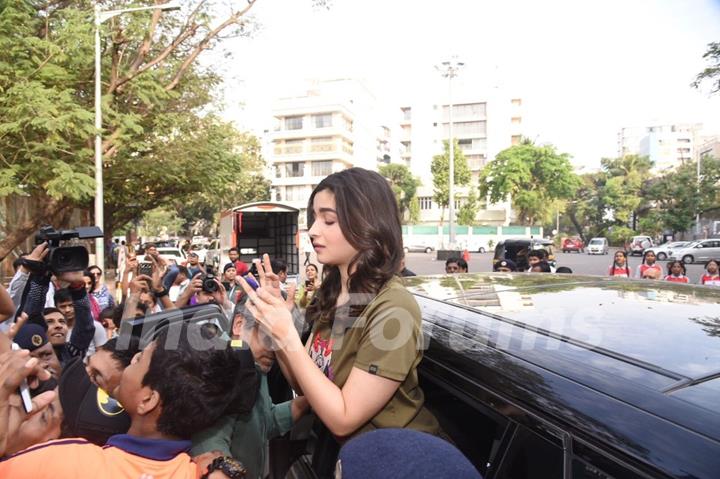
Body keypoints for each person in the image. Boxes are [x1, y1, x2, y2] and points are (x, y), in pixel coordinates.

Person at [238, 168, 439, 476]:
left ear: (367, 223)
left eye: (328, 220)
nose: (314, 231)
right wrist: (277, 327)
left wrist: (286, 334)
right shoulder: (333, 294)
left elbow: (344, 416)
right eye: (314, 219)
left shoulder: (393, 306)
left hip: (397, 463)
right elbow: (304, 383)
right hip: (343, 456)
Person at [0, 323, 260, 478]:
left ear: (147, 400)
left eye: (138, 360)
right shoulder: (195, 471)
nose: (129, 363)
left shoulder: (65, 461)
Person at [192, 297, 309, 479]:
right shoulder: (220, 369)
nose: (275, 349)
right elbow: (208, 448)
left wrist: (311, 398)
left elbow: (266, 421)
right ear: (239, 324)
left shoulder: (253, 366)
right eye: (269, 337)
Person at [55, 288, 107, 357]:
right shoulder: (56, 330)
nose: (67, 310)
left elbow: (102, 355)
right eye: (63, 306)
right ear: (56, 307)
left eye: (71, 305)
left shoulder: (95, 326)